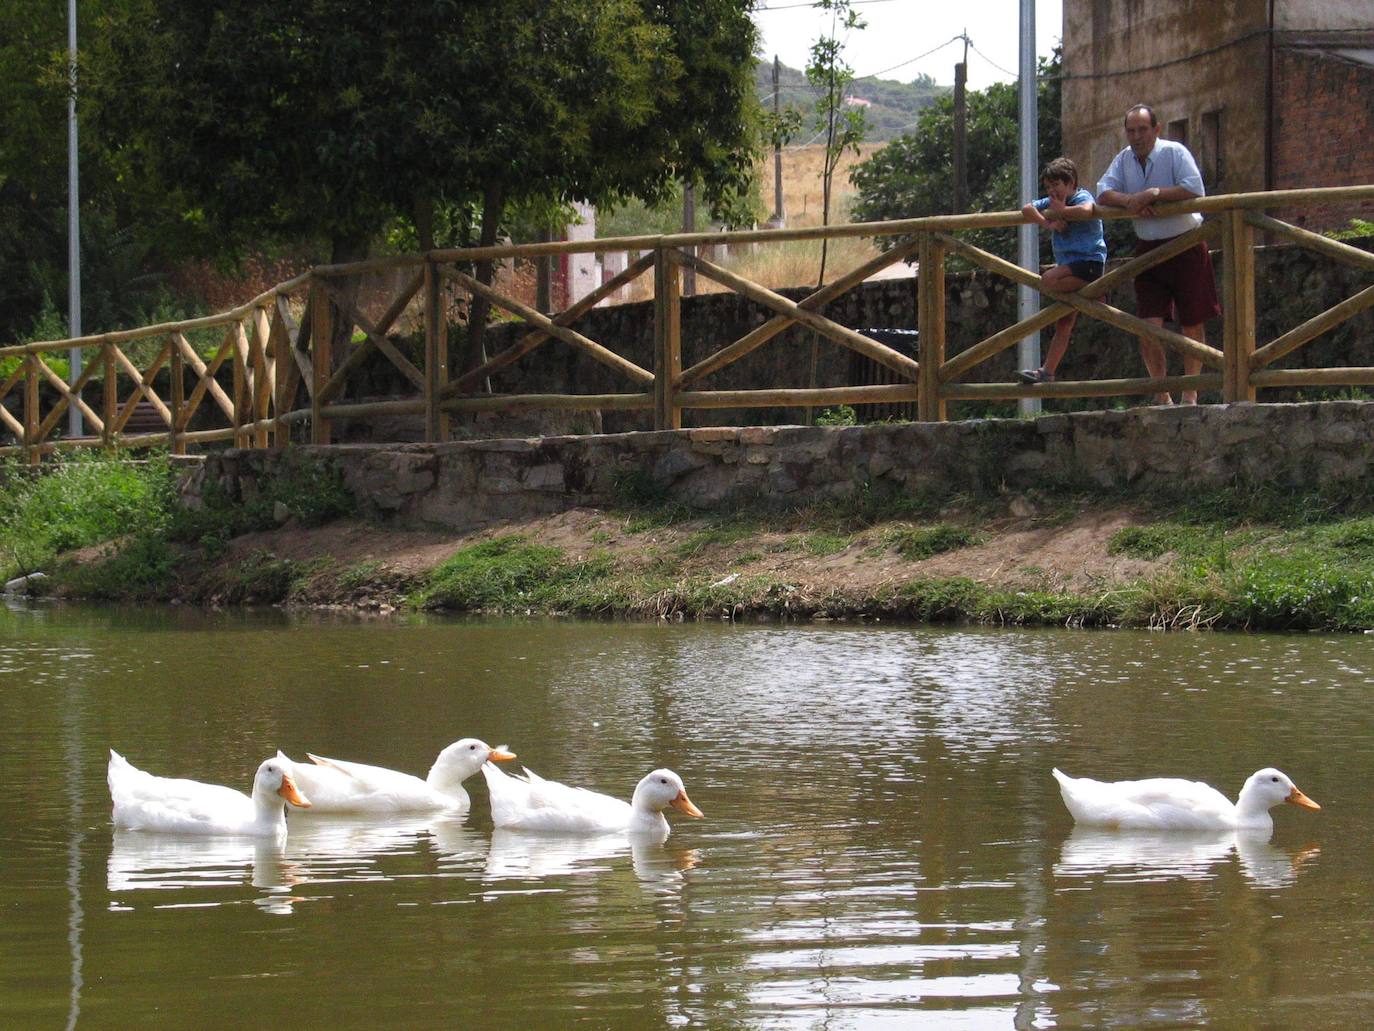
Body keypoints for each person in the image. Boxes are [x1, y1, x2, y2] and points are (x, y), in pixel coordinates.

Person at [1096, 103, 1221, 405]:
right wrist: (1130, 200)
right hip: (1149, 248)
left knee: (1192, 321)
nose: (1137, 136)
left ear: (1156, 129)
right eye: (1131, 130)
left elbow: (1194, 188)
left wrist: (1155, 194)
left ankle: (1190, 393)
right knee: (1148, 325)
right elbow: (1103, 191)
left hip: (1186, 243)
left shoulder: (1174, 152)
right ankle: (1161, 393)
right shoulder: (1124, 159)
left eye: (1142, 129)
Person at [1017, 157, 1107, 385]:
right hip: (1070, 271)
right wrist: (1049, 223)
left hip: (1088, 263)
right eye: (1048, 186)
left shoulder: (1081, 197)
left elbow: (1087, 211)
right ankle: (1048, 371)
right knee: (1064, 323)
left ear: (1071, 183)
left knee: (1047, 280)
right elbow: (1027, 209)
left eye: (1056, 185)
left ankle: (1094, 289)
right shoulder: (1050, 202)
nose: (1052, 190)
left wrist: (1063, 211)